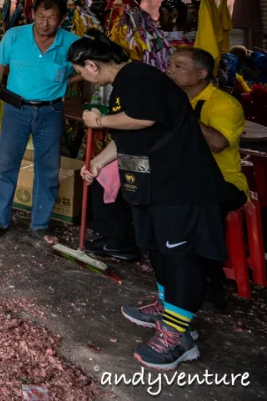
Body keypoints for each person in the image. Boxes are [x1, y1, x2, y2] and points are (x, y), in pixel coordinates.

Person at [73, 32, 227, 370]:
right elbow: (132, 130)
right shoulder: (128, 83)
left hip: (180, 185)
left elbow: (145, 117)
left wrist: (98, 121)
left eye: (81, 72)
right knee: (157, 248)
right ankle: (166, 303)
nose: (82, 77)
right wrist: (99, 162)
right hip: (153, 184)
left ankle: (179, 335)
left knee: (180, 255)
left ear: (91, 65)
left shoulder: (138, 78)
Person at [0, 0, 79, 242]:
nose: (45, 23)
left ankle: (40, 223)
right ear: (32, 14)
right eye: (40, 16)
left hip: (51, 112)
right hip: (17, 110)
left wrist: (68, 81)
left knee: (48, 169)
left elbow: (92, 68)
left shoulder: (72, 43)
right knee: (6, 164)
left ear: (62, 20)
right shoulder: (15, 35)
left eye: (51, 18)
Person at [165, 46, 252, 311]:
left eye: (179, 66)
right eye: (170, 64)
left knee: (199, 208)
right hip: (180, 177)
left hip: (223, 181)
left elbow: (217, 143)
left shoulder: (225, 104)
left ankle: (213, 289)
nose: (170, 70)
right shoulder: (170, 98)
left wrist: (185, 114)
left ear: (202, 73)